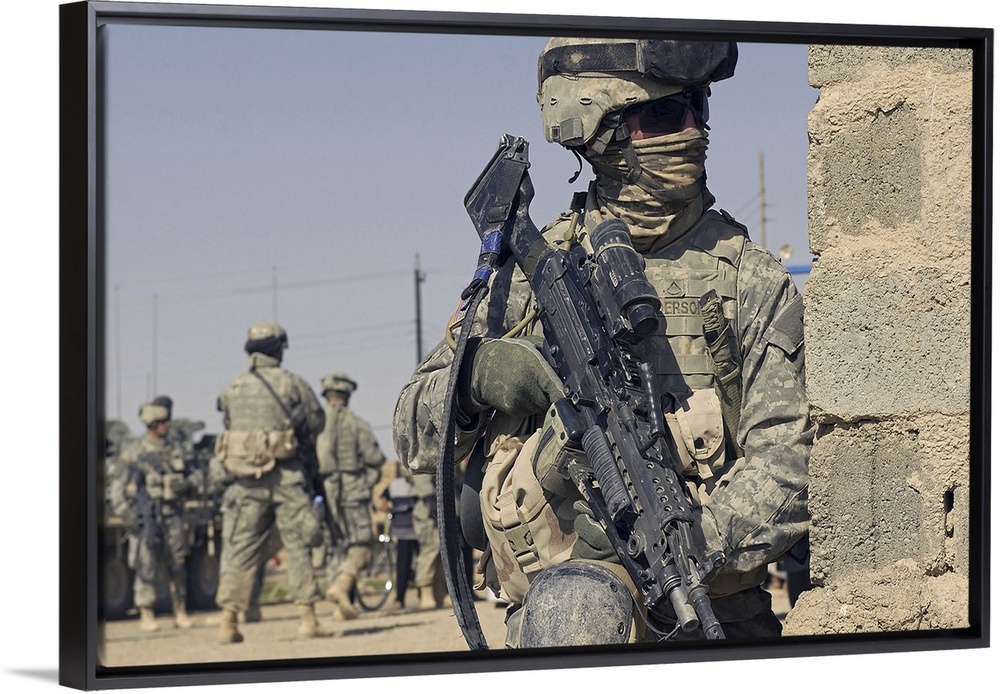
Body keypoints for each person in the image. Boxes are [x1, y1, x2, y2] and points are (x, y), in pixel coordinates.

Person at [393, 37, 812, 647]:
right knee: (576, 609)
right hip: (561, 612)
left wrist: (683, 545)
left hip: (709, 610)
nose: (691, 131)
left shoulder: (748, 278)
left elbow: (790, 462)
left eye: (697, 107)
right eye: (663, 115)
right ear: (599, 134)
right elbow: (412, 430)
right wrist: (476, 377)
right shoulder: (529, 273)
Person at [213, 321, 327, 643]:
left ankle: (228, 622)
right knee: (297, 543)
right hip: (286, 476)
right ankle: (307, 619)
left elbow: (228, 422)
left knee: (241, 550)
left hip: (246, 480)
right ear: (278, 348)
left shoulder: (232, 387)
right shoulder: (292, 383)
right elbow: (316, 421)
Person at [109, 397, 194, 631]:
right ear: (152, 423)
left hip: (172, 515)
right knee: (145, 566)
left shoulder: (174, 449)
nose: (167, 425)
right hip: (145, 517)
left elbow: (193, 477)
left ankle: (180, 612)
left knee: (178, 565)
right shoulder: (135, 452)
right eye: (163, 422)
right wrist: (126, 514)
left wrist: (187, 485)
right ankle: (146, 613)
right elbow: (117, 488)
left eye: (167, 421)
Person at [315, 372, 386, 621]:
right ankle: (342, 587)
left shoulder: (314, 426)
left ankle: (340, 606)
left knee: (336, 547)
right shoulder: (356, 424)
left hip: (323, 492)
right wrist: (365, 484)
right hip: (352, 491)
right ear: (347, 395)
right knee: (361, 545)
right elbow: (375, 460)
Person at [380, 461, 419, 611]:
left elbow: (382, 504)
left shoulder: (394, 485)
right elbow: (383, 503)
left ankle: (400, 599)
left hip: (408, 530)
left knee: (405, 566)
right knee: (406, 566)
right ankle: (401, 598)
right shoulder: (400, 485)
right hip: (408, 531)